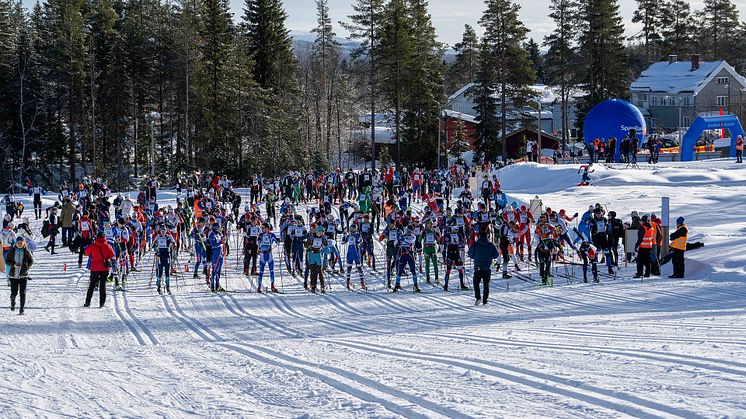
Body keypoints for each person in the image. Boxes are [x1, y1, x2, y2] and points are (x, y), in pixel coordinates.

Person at [467, 230, 499, 305]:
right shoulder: (491, 245)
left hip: (478, 267)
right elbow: (496, 255)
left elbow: (471, 255)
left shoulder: (476, 244)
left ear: (479, 237)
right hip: (487, 267)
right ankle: (485, 300)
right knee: (486, 284)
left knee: (476, 282)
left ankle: (478, 297)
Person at [84, 231, 115, 308]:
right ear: (104, 238)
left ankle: (87, 302)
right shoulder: (108, 246)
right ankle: (102, 303)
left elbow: (86, 253)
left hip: (94, 268)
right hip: (104, 268)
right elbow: (112, 255)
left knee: (91, 285)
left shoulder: (93, 246)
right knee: (103, 285)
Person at [6, 236, 33, 314]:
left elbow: (31, 261)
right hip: (13, 276)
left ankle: (21, 308)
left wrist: (27, 267)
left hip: (23, 275)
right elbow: (7, 261)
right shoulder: (12, 251)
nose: (20, 244)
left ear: (23, 243)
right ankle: (13, 302)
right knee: (14, 293)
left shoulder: (26, 252)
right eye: (18, 243)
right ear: (16, 243)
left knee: (23, 293)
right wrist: (13, 265)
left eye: (21, 243)